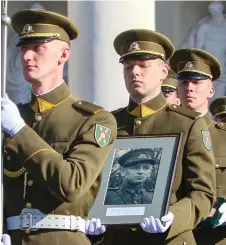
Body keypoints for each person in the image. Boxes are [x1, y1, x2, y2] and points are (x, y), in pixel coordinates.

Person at [88, 29, 216, 245]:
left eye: (144, 66)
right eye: (128, 67)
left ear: (164, 71)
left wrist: (174, 217)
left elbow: (203, 193)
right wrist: (90, 215)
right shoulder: (107, 124)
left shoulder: (188, 124)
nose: (135, 72)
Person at [1, 9, 117, 245]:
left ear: (63, 54)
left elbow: (71, 185)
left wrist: (18, 131)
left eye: (38, 48)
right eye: (23, 48)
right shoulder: (15, 115)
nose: (26, 56)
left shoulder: (93, 119)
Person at [170, 48, 226, 245]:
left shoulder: (223, 136)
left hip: (216, 237)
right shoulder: (166, 134)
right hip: (173, 235)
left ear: (211, 91)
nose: (190, 88)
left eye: (197, 82)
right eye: (184, 82)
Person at [182, 1, 226, 99]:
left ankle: (216, 110)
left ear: (221, 9)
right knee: (208, 87)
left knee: (220, 90)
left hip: (223, 63)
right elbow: (198, 47)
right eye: (211, 10)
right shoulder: (204, 26)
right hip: (208, 63)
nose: (213, 12)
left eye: (216, 9)